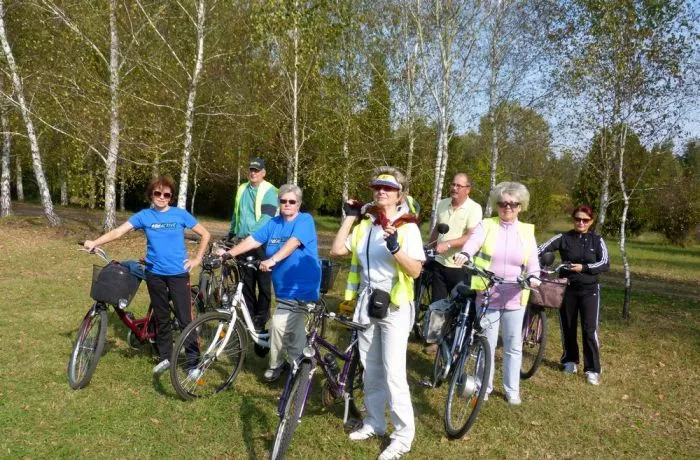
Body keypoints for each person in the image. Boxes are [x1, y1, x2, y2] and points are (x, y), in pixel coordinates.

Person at [330, 167, 424, 460]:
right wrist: (350, 217)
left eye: (388, 188)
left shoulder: (408, 227)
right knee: (370, 368)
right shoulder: (366, 225)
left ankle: (403, 437)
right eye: (377, 187)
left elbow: (416, 270)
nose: (381, 191)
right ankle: (375, 422)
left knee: (393, 372)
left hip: (394, 307)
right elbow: (336, 250)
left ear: (399, 195)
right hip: (368, 303)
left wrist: (396, 248)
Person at [84, 176, 211, 374]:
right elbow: (118, 232)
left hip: (178, 274)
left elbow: (205, 234)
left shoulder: (180, 214)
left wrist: (196, 259)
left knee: (185, 319)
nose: (162, 197)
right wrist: (95, 242)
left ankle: (194, 364)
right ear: (151, 195)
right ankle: (166, 357)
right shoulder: (144, 216)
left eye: (166, 194)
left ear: (171, 197)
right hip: (154, 275)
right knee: (161, 317)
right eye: (157, 193)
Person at [218, 184, 321, 382]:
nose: (287, 204)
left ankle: (283, 366)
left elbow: (294, 242)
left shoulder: (305, 220)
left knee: (281, 326)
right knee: (290, 329)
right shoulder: (274, 223)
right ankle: (298, 366)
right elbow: (253, 240)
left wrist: (272, 260)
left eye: (292, 201)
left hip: (302, 285)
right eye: (283, 201)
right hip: (283, 287)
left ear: (299, 204)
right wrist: (229, 254)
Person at [454, 182, 539, 405]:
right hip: (487, 294)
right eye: (502, 203)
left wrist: (534, 276)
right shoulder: (486, 225)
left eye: (513, 204)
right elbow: (473, 243)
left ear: (520, 206)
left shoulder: (526, 231)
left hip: (515, 296)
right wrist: (465, 254)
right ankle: (484, 387)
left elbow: (533, 261)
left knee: (513, 346)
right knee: (486, 344)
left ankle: (512, 390)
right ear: (496, 205)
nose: (507, 207)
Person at [537, 204, 609, 386]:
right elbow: (541, 248)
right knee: (568, 326)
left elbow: (604, 263)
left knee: (589, 329)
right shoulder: (564, 238)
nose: (581, 223)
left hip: (590, 290)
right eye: (577, 219)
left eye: (585, 220)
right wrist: (531, 259)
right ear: (573, 220)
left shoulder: (597, 240)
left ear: (591, 221)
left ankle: (592, 369)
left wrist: (584, 267)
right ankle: (569, 360)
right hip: (567, 289)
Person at [424, 173, 482, 354]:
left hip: (460, 265)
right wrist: (429, 247)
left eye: (459, 186)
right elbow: (437, 228)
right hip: (440, 262)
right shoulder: (442, 204)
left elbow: (471, 236)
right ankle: (434, 341)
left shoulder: (474, 208)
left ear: (468, 189)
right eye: (453, 184)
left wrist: (448, 244)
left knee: (460, 306)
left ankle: (455, 340)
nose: (454, 188)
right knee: (438, 303)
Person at [228, 157, 279, 332]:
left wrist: (250, 237)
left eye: (257, 170)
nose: (253, 173)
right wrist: (231, 234)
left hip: (262, 243)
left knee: (263, 284)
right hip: (243, 243)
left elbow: (267, 217)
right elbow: (236, 213)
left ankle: (261, 320)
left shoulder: (269, 190)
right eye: (251, 169)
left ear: (263, 173)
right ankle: (249, 318)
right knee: (245, 284)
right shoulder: (242, 188)